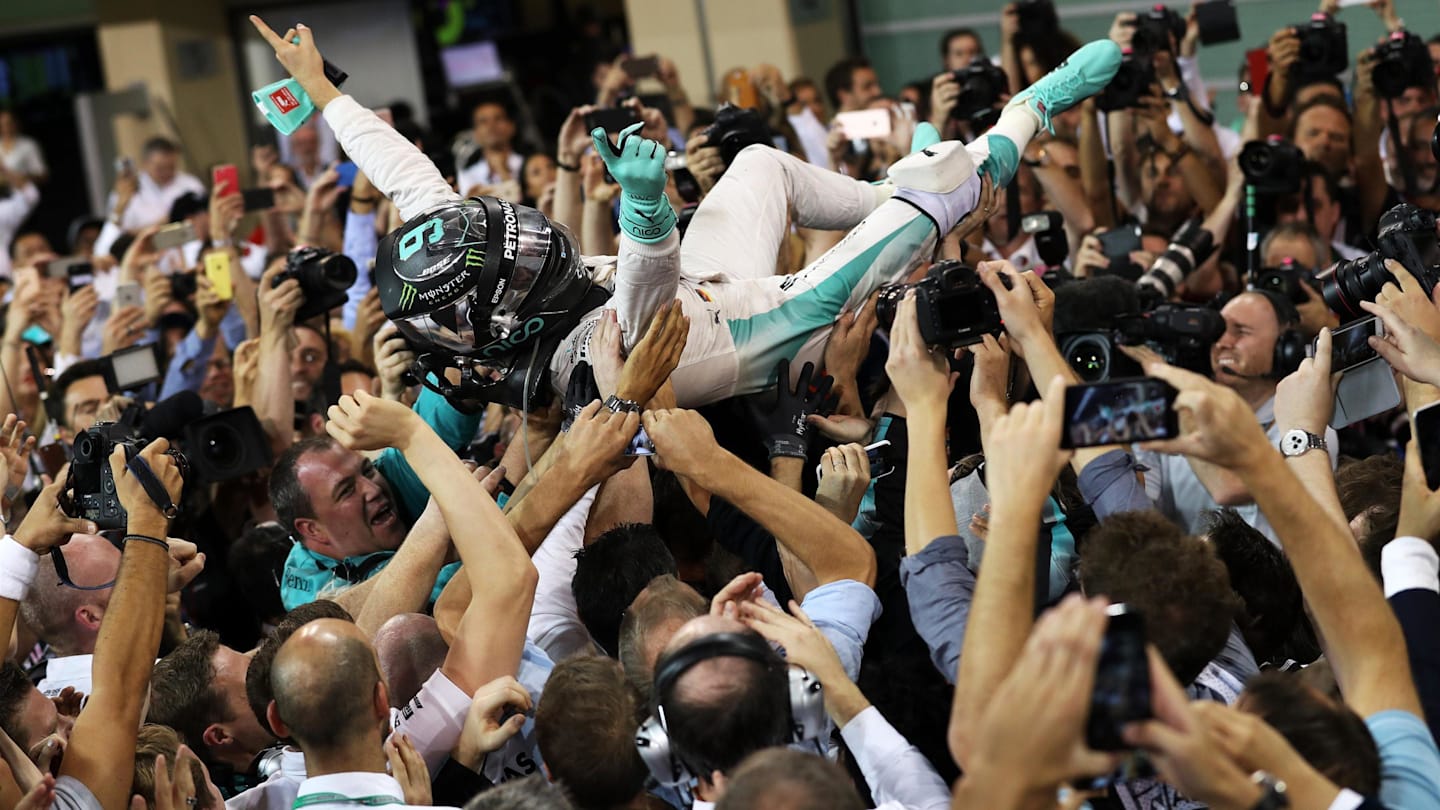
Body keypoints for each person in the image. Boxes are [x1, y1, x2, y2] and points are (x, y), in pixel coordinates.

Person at [248, 16, 1124, 413]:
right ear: (489, 328)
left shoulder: (463, 274)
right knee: (935, 196)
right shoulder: (568, 368)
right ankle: (1027, 117)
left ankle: (910, 190)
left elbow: (412, 180)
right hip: (758, 328)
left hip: (706, 278)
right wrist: (640, 209)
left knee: (758, 163)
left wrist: (323, 91)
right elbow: (644, 313)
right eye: (516, 267)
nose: (528, 249)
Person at [109, 137, 207, 231]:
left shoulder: (190, 184)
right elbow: (118, 229)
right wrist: (168, 221)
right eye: (160, 168)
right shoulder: (127, 189)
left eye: (171, 167)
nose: (166, 172)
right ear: (145, 163)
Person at [458, 102, 524, 200]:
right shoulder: (467, 175)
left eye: (498, 118)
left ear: (511, 127)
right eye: (483, 121)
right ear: (475, 133)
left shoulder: (529, 164)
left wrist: (503, 172)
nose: (491, 125)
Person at [0, 111, 46, 183]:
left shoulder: (28, 145)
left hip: (22, 192)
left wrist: (22, 178)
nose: (6, 128)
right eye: (2, 125)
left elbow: (42, 175)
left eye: (9, 123)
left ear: (16, 123)